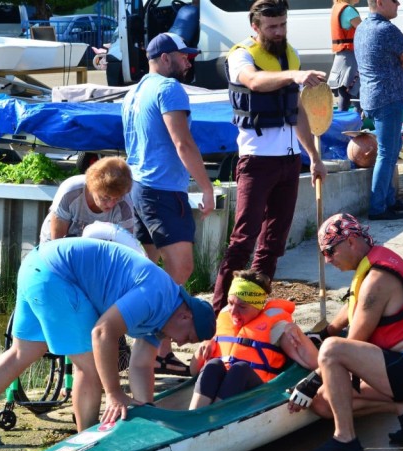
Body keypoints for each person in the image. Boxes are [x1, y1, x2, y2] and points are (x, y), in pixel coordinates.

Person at [0, 238, 217, 442]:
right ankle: (86, 442)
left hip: (37, 266)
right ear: (185, 315)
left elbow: (141, 365)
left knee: (23, 353)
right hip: (57, 275)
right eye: (189, 337)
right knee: (89, 368)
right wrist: (114, 394)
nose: (182, 345)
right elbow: (103, 331)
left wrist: (147, 411)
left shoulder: (165, 318)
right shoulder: (156, 293)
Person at [288, 213, 403, 451]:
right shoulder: (371, 264)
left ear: (351, 242)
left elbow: (353, 343)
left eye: (330, 251)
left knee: (332, 350)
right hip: (392, 369)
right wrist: (324, 332)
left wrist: (311, 381)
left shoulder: (378, 279)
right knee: (323, 404)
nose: (327, 260)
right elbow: (355, 304)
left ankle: (345, 440)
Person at [211, 0, 328, 314]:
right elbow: (253, 81)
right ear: (255, 27)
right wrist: (295, 75)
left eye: (283, 25)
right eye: (272, 27)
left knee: (273, 243)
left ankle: (252, 305)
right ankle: (219, 308)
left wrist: (313, 157)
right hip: (256, 161)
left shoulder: (291, 56)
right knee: (243, 238)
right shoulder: (241, 55)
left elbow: (297, 111)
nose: (279, 32)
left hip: (289, 163)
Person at [121, 32, 215, 375]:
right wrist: (205, 187)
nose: (188, 61)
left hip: (138, 188)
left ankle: (148, 343)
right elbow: (183, 142)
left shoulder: (134, 92)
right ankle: (157, 348)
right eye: (183, 56)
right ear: (164, 58)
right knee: (180, 270)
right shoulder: (168, 88)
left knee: (150, 271)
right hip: (162, 191)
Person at [189, 269, 318, 409]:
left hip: (259, 393)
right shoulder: (224, 323)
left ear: (257, 307)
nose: (233, 311)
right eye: (230, 303)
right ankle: (195, 415)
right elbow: (193, 371)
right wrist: (205, 345)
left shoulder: (277, 328)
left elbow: (314, 363)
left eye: (242, 307)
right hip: (223, 390)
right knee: (213, 364)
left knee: (240, 369)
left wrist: (296, 331)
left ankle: (213, 418)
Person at [355, 0, 403, 220]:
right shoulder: (386, 29)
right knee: (387, 153)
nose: (399, 4)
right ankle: (378, 207)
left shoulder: (362, 27)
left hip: (371, 97)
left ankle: (389, 199)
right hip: (388, 98)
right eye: (395, 0)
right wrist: (402, 59)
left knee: (392, 151)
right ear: (381, 2)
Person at [39, 156, 135, 245]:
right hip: (56, 242)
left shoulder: (125, 206)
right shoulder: (70, 192)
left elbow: (125, 247)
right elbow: (57, 243)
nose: (110, 204)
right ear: (91, 187)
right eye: (105, 198)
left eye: (117, 198)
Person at [327, 0, 362, 113]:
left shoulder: (337, 7)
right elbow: (365, 31)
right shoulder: (348, 10)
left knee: (347, 94)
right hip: (350, 57)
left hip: (342, 56)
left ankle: (347, 122)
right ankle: (353, 124)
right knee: (352, 94)